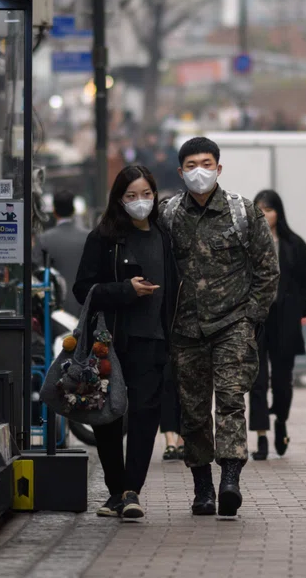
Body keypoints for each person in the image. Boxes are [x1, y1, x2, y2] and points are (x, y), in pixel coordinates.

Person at [159, 136, 280, 519]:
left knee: (230, 401)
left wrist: (252, 317)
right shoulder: (168, 215)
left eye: (206, 163)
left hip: (233, 325)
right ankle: (202, 488)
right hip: (185, 329)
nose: (200, 171)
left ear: (219, 168)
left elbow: (267, 270)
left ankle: (230, 479)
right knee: (193, 412)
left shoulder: (243, 212)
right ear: (181, 171)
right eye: (191, 164)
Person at [73, 165, 180, 520]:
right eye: (131, 195)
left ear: (155, 195)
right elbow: (82, 289)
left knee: (146, 416)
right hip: (111, 343)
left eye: (146, 194)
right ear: (119, 199)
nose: (140, 202)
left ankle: (132, 490)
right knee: (108, 416)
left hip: (152, 340)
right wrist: (125, 290)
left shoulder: (164, 236)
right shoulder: (103, 237)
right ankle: (114, 490)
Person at [248, 189, 306, 460]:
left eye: (270, 209)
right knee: (257, 380)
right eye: (260, 209)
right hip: (257, 319)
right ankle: (261, 436)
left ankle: (281, 423)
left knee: (283, 381)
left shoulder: (293, 244)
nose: (265, 214)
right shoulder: (246, 242)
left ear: (279, 212)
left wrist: (298, 308)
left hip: (285, 320)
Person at [35, 190, 88, 316]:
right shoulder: (89, 237)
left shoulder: (44, 239)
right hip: (85, 305)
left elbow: (37, 273)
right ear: (74, 210)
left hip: (56, 309)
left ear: (54, 211)